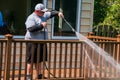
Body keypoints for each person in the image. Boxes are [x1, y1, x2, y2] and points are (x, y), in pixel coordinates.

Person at [25, 3, 64, 80]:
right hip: (32, 42)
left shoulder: (44, 15)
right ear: (37, 11)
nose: (44, 13)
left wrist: (58, 13)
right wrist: (41, 26)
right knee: (31, 60)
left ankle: (39, 75)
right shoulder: (31, 18)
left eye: (44, 12)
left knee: (39, 60)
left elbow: (52, 13)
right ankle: (28, 77)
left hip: (41, 42)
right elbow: (30, 29)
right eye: (42, 12)